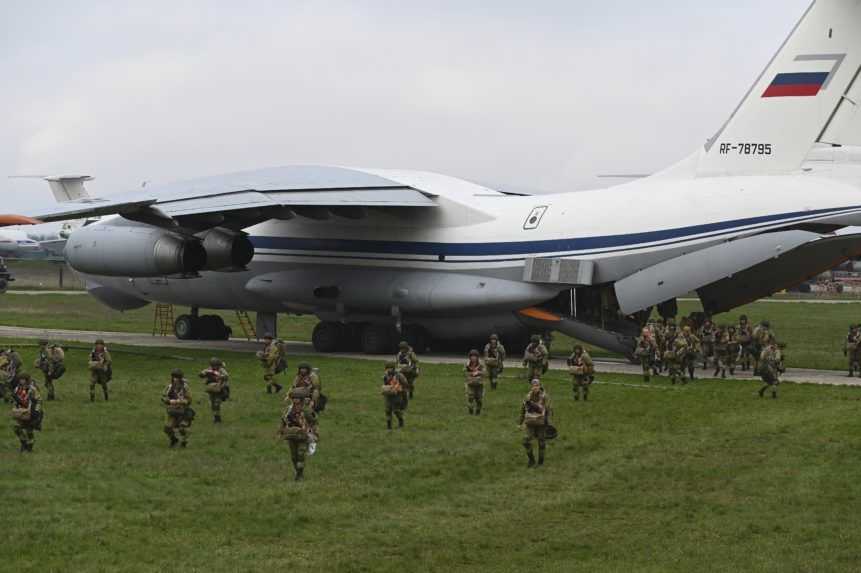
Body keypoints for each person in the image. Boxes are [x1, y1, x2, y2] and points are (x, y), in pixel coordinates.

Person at [280, 396, 317, 481]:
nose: (295, 400)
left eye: (297, 398)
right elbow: (283, 420)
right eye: (294, 398)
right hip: (291, 435)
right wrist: (281, 430)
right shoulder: (288, 410)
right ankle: (297, 472)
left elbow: (313, 421)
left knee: (300, 454)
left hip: (303, 436)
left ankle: (300, 474)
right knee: (294, 456)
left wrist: (313, 432)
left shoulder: (306, 410)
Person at [519, 379, 550, 468]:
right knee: (526, 441)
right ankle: (531, 460)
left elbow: (548, 410)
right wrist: (520, 422)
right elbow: (522, 410)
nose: (535, 387)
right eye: (533, 386)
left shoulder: (544, 396)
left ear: (540, 386)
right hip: (530, 422)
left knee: (541, 442)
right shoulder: (527, 397)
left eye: (537, 386)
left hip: (541, 422)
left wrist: (548, 422)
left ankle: (540, 462)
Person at [11, 373, 42, 453]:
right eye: (20, 379)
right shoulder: (17, 389)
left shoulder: (32, 389)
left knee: (29, 431)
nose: (21, 381)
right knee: (17, 428)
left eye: (23, 379)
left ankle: (30, 447)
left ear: (27, 380)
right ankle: (24, 443)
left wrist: (37, 411)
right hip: (20, 412)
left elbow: (39, 400)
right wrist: (15, 407)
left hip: (31, 412)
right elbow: (15, 400)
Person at [162, 369, 193, 447]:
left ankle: (184, 441)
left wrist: (181, 401)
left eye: (177, 377)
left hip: (183, 411)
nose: (175, 379)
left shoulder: (185, 387)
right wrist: (168, 401)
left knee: (182, 428)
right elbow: (164, 397)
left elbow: (189, 400)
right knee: (167, 428)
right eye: (174, 377)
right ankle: (174, 440)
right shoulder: (170, 386)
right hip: (173, 410)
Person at [198, 357, 229, 423]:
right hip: (211, 389)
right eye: (213, 365)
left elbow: (226, 376)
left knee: (217, 403)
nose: (215, 367)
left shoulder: (221, 370)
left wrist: (220, 376)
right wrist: (203, 374)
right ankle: (216, 416)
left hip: (220, 388)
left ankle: (217, 415)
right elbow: (201, 374)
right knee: (212, 403)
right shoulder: (209, 369)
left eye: (216, 365)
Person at [381, 361, 407, 430]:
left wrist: (400, 388)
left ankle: (401, 421)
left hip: (397, 395)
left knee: (396, 410)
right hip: (388, 395)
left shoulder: (399, 375)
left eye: (390, 368)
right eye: (387, 368)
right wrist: (386, 388)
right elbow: (385, 383)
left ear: (393, 368)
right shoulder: (386, 375)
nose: (388, 370)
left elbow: (405, 383)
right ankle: (389, 426)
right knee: (387, 410)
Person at [464, 349, 485, 415]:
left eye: (475, 356)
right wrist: (470, 374)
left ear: (477, 357)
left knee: (479, 399)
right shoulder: (467, 365)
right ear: (470, 357)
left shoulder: (481, 364)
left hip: (479, 384)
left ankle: (478, 411)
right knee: (470, 397)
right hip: (470, 384)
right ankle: (470, 411)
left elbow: (485, 373)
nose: (473, 358)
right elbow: (465, 373)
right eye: (472, 356)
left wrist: (478, 372)